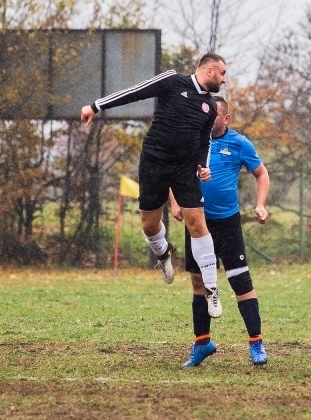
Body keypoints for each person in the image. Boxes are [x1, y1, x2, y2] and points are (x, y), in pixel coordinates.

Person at [80, 52, 227, 318]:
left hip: (184, 170)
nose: (224, 80)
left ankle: (212, 288)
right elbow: (135, 92)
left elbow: (204, 140)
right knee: (149, 224)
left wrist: (203, 165)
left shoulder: (210, 106)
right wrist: (96, 105)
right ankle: (163, 254)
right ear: (209, 71)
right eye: (222, 73)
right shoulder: (172, 81)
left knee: (197, 224)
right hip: (155, 161)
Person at [170, 96, 270, 367]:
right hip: (197, 221)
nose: (207, 117)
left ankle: (256, 343)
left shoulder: (239, 143)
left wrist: (260, 205)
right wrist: (176, 202)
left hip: (227, 224)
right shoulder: (192, 140)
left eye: (213, 114)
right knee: (198, 284)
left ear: (225, 119)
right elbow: (174, 172)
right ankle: (202, 343)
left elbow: (261, 173)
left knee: (241, 282)